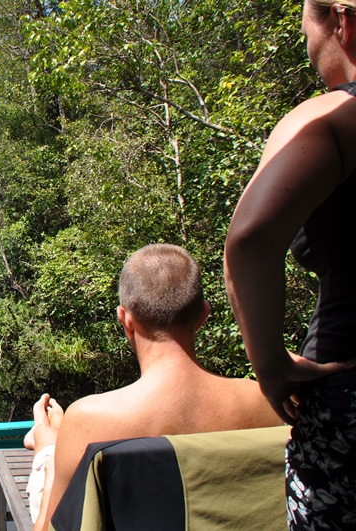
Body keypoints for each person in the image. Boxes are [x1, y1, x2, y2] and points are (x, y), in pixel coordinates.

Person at [30, 244, 282, 531]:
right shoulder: (267, 401)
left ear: (125, 319)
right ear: (203, 315)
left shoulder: (88, 419)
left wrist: (50, 460)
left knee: (47, 454)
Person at [224, 1, 356, 527]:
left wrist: (273, 367)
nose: (303, 40)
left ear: (340, 23)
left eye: (305, 20)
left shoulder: (330, 116)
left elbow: (251, 240)